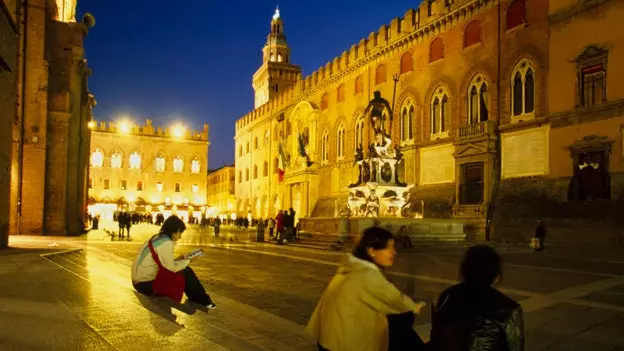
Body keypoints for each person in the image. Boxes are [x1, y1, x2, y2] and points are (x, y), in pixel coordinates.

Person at [306, 227, 426, 351]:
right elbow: (395, 300)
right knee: (403, 325)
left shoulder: (351, 267)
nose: (394, 252)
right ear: (372, 251)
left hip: (328, 338)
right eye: (388, 247)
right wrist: (415, 307)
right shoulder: (368, 275)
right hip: (344, 344)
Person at [429, 245, 524, 351]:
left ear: (464, 271)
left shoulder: (444, 298)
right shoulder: (510, 309)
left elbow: (435, 341)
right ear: (496, 276)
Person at [131, 215, 216, 309]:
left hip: (138, 282)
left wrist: (179, 259)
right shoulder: (166, 242)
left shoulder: (157, 238)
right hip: (145, 284)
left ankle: (199, 299)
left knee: (184, 268)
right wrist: (188, 260)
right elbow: (172, 268)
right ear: (176, 230)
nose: (180, 237)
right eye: (180, 233)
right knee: (186, 271)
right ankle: (202, 301)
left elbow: (164, 263)